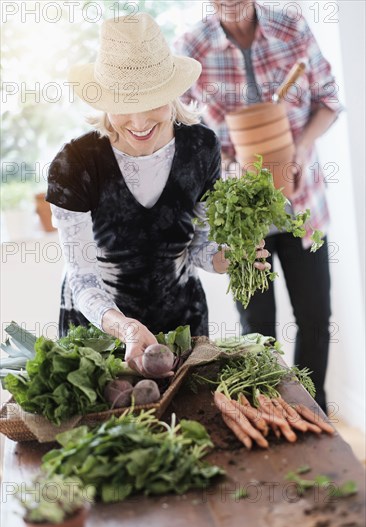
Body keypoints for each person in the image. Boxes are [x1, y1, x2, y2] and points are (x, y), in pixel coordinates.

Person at [46, 13, 270, 376]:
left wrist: (223, 258)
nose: (138, 122)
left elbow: (197, 245)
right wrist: (126, 328)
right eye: (122, 103)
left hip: (182, 327)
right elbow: (82, 278)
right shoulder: (75, 164)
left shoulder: (201, 148)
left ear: (173, 93)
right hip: (101, 337)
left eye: (152, 100)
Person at [175, 0, 343, 411]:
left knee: (316, 319)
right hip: (243, 221)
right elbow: (179, 126)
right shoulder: (191, 47)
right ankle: (272, 414)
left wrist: (302, 148)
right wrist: (228, 165)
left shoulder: (291, 26)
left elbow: (328, 99)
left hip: (301, 206)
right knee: (257, 330)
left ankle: (313, 413)